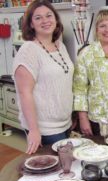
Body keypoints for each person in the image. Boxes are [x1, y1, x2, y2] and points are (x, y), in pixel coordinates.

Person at [12, 0, 74, 154]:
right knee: (57, 173)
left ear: (55, 19)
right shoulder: (29, 50)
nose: (45, 21)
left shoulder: (60, 45)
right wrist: (34, 130)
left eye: (49, 15)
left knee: (66, 169)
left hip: (65, 123)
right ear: (31, 24)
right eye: (38, 18)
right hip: (45, 129)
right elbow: (24, 92)